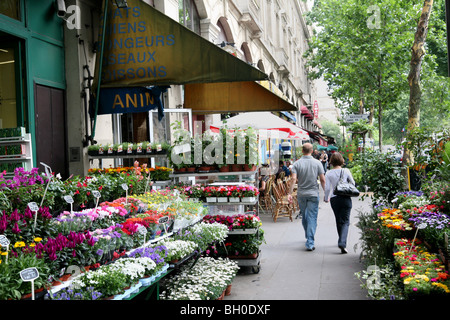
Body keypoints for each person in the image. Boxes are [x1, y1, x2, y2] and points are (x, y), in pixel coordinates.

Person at [288, 143, 326, 251]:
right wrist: (326, 194)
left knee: (304, 216)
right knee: (312, 217)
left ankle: (308, 236)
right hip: (313, 194)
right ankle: (310, 242)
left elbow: (293, 179)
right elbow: (323, 180)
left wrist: (290, 193)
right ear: (312, 150)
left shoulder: (296, 164)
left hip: (302, 194)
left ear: (302, 150)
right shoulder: (317, 163)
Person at [323, 152, 355, 254]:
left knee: (338, 220)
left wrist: (326, 197)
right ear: (341, 160)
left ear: (331, 161)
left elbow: (327, 188)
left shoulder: (328, 173)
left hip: (334, 198)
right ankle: (342, 243)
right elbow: (353, 183)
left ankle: (341, 240)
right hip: (345, 198)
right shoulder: (346, 171)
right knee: (345, 221)